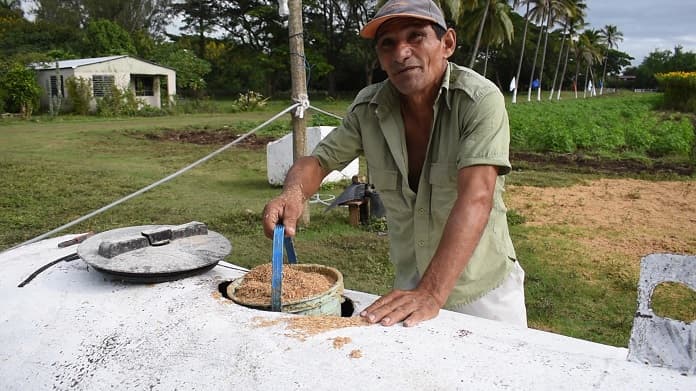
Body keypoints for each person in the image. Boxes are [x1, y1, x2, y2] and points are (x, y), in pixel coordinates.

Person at [262, 0, 527, 328]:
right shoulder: (368, 108)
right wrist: (293, 193)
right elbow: (318, 160)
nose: (401, 53)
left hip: (482, 290)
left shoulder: (479, 101)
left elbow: (476, 197)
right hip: (411, 284)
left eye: (416, 36)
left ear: (447, 44)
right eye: (388, 43)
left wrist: (431, 293)